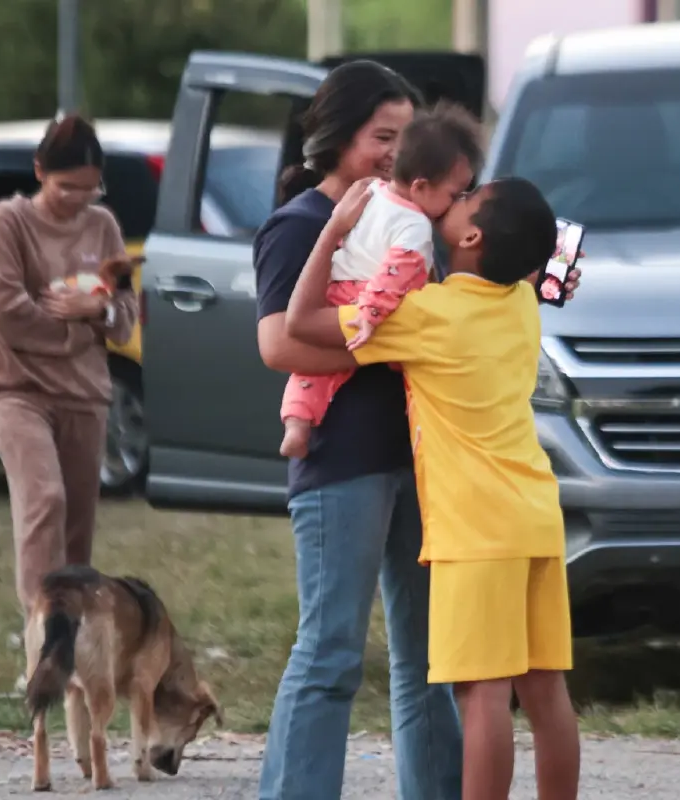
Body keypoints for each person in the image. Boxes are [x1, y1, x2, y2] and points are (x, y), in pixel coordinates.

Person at [285, 177, 583, 800]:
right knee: (546, 690)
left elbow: (301, 321)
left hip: (474, 532)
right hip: (535, 515)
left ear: (471, 236)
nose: (453, 199)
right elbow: (546, 261)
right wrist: (554, 268)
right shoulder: (522, 303)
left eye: (468, 200)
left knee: (483, 696)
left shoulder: (428, 316)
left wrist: (335, 230)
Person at [252, 60, 465, 800]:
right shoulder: (300, 225)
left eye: (406, 139)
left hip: (418, 457)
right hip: (339, 462)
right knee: (332, 652)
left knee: (427, 658)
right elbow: (277, 345)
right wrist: (382, 344)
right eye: (382, 137)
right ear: (338, 135)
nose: (396, 154)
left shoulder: (411, 225)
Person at [0, 113, 139, 618]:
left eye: (90, 189)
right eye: (68, 187)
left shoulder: (104, 225)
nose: (78, 199)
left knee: (77, 526)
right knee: (44, 498)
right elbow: (4, 309)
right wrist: (75, 330)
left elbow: (124, 315)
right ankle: (44, 632)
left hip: (85, 393)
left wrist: (98, 310)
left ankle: (74, 633)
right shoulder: (8, 222)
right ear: (40, 170)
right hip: (17, 389)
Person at [278, 100, 483, 459]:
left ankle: (297, 422)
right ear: (420, 186)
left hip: (338, 284)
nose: (458, 202)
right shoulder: (415, 226)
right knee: (418, 363)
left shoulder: (372, 190)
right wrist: (370, 314)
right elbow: (396, 272)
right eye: (455, 194)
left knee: (311, 375)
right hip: (368, 298)